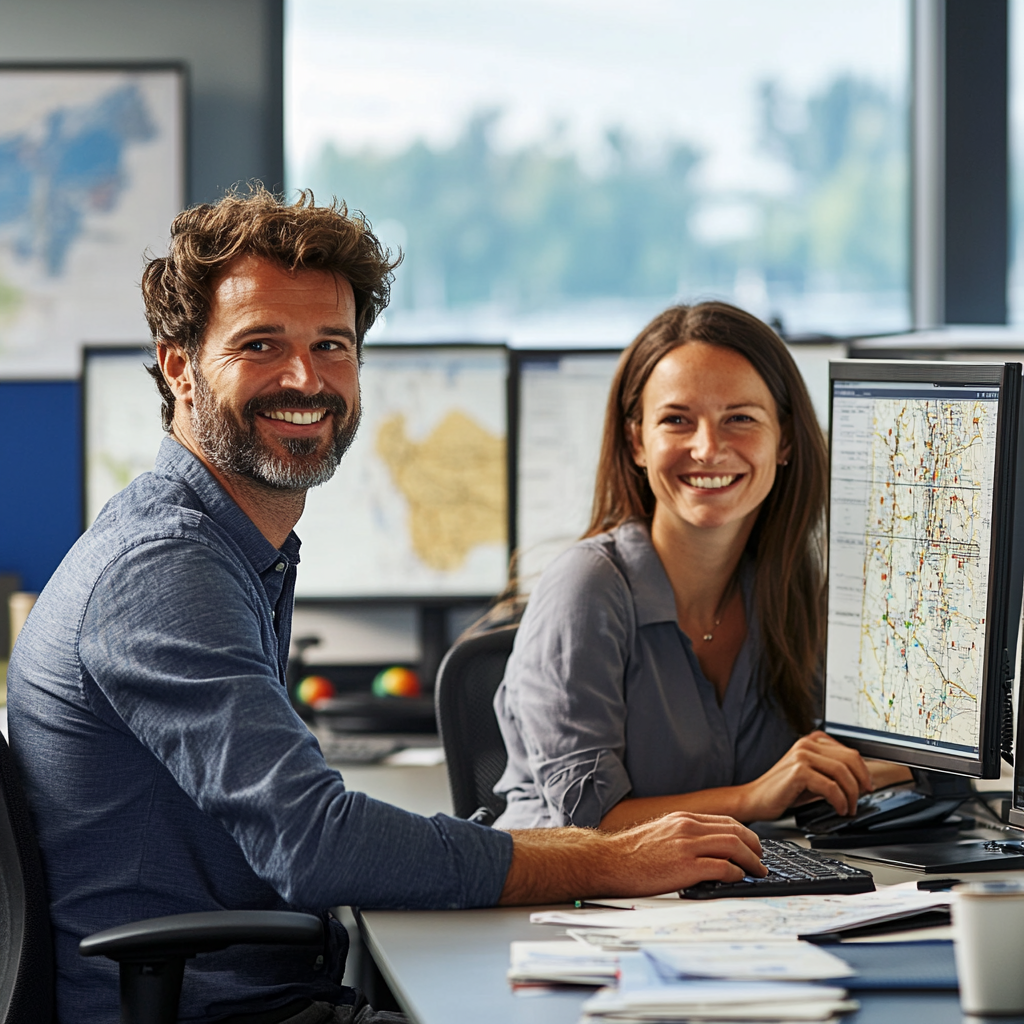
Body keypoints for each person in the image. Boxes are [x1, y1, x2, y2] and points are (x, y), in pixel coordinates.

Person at [6, 189, 767, 1024]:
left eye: (331, 345)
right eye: (261, 344)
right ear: (180, 365)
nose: (306, 377)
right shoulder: (165, 569)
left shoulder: (223, 548)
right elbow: (315, 842)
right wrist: (606, 859)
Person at [493, 302, 910, 831]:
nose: (708, 448)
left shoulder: (790, 589)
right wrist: (753, 798)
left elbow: (870, 761)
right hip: (568, 899)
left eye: (740, 418)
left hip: (724, 899)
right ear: (637, 441)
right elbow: (590, 820)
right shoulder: (588, 588)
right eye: (677, 421)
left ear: (783, 440)